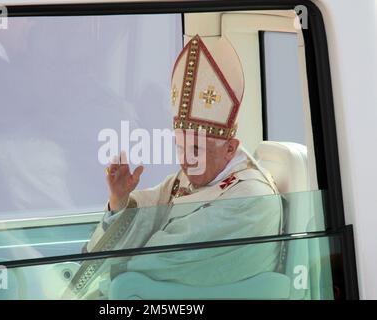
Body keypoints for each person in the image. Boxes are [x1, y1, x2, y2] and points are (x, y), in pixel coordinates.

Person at [63, 34, 283, 299]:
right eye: (180, 147)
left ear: (230, 149)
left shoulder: (249, 198)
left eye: (196, 149)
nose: (186, 161)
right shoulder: (192, 176)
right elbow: (149, 208)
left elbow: (168, 258)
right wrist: (120, 201)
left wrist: (108, 271)